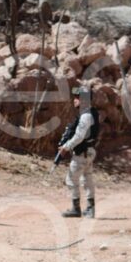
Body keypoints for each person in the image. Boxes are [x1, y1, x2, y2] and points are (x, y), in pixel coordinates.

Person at [58, 86, 99, 218]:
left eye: (77, 98)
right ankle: (90, 208)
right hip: (89, 151)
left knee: (71, 179)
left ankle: (76, 209)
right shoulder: (91, 113)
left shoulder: (86, 116)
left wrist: (66, 147)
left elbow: (79, 136)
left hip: (82, 153)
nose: (74, 100)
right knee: (87, 179)